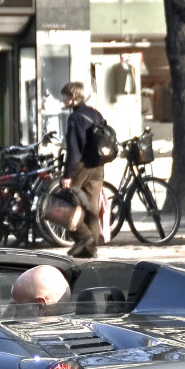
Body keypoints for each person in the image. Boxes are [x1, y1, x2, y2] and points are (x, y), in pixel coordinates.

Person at [58, 81, 108, 259]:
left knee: (66, 203)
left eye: (64, 95)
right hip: (98, 166)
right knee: (91, 208)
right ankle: (91, 249)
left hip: (81, 166)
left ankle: (83, 237)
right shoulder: (95, 113)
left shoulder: (76, 117)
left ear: (72, 97)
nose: (62, 99)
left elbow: (74, 148)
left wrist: (68, 174)